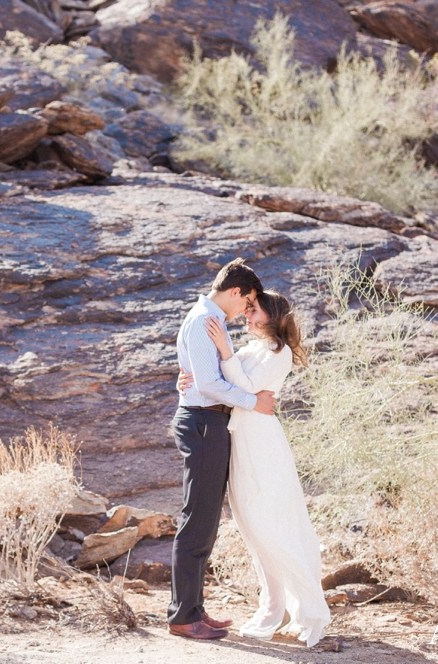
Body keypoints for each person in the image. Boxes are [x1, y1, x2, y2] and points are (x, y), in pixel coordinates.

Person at [179, 291, 331, 647]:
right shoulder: (251, 348)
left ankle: (307, 606)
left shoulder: (280, 353)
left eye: (253, 309)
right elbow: (218, 379)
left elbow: (244, 387)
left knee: (268, 523)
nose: (247, 314)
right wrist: (185, 380)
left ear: (272, 315)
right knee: (250, 527)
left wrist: (225, 352)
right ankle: (272, 606)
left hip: (261, 441)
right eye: (247, 308)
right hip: (239, 438)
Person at [167, 258, 279, 641]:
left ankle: (193, 609)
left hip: (207, 420)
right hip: (202, 421)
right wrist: (253, 402)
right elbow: (210, 385)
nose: (247, 310)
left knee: (206, 519)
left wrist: (194, 383)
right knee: (197, 519)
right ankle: (183, 616)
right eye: (247, 302)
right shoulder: (203, 321)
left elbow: (200, 377)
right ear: (236, 292)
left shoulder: (207, 320)